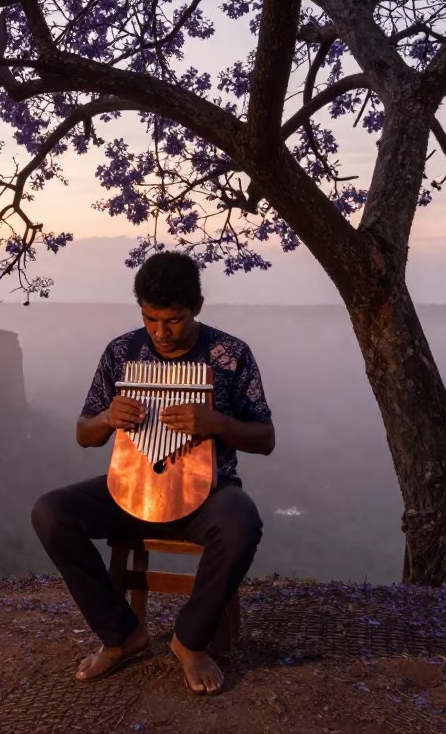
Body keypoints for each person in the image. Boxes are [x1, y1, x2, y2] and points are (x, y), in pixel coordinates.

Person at [31, 251, 275, 695]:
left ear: (197, 306)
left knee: (242, 521)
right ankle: (122, 634)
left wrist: (217, 424)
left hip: (207, 493)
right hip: (129, 489)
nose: (161, 333)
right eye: (150, 319)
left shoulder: (230, 355)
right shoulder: (122, 351)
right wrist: (107, 418)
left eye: (174, 320)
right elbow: (84, 434)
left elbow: (265, 438)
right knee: (51, 512)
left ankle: (189, 641)